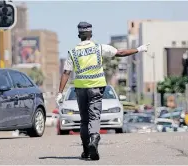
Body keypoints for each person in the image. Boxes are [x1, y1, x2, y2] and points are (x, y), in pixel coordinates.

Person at [56, 21, 150, 160]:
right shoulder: (98, 48)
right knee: (94, 116)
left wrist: (60, 92)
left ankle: (86, 150)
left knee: (84, 120)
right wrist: (139, 49)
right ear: (90, 34)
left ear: (79, 35)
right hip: (96, 87)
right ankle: (94, 139)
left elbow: (66, 72)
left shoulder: (73, 52)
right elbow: (121, 52)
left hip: (81, 88)